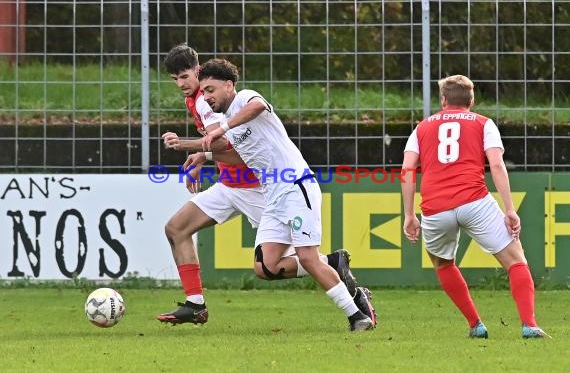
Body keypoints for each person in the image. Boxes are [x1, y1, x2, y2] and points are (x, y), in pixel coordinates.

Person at [157, 44, 376, 327]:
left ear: (225, 84)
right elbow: (234, 152)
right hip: (258, 191)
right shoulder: (217, 111)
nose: (187, 87)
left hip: (280, 187)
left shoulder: (242, 99)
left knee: (308, 257)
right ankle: (196, 304)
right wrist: (201, 153)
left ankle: (355, 311)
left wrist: (210, 137)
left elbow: (256, 108)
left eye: (187, 78)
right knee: (264, 267)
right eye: (175, 80)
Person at [400, 74, 549, 339]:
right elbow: (497, 164)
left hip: (435, 207)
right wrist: (510, 209)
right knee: (516, 260)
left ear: (443, 100)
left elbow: (408, 169)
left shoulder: (422, 127)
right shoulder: (483, 123)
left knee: (443, 264)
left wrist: (410, 214)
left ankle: (475, 325)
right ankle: (529, 324)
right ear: (472, 100)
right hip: (475, 201)